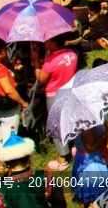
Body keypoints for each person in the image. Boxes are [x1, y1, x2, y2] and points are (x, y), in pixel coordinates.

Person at [34, 33, 78, 170]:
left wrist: (36, 63)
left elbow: (41, 79)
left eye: (47, 41)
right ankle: (74, 147)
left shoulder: (50, 62)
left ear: (53, 43)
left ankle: (62, 159)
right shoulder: (72, 54)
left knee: (56, 126)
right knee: (69, 121)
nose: (45, 43)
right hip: (70, 92)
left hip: (54, 95)